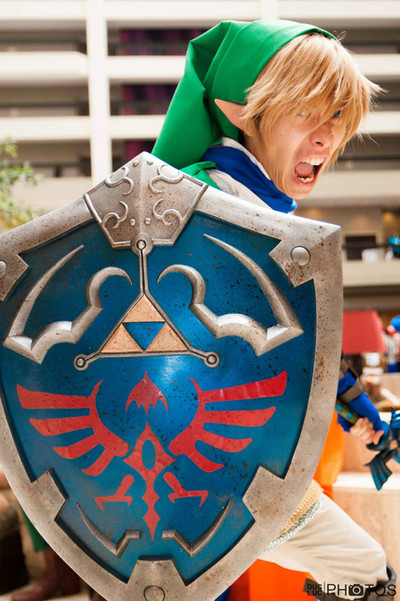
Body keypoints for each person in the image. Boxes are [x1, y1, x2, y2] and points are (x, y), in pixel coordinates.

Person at [153, 20, 396, 601]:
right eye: (307, 113)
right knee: (363, 572)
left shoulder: (254, 207)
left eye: (337, 116)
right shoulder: (207, 205)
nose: (327, 138)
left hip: (209, 458)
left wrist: (357, 405)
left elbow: (285, 342)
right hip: (213, 465)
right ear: (241, 111)